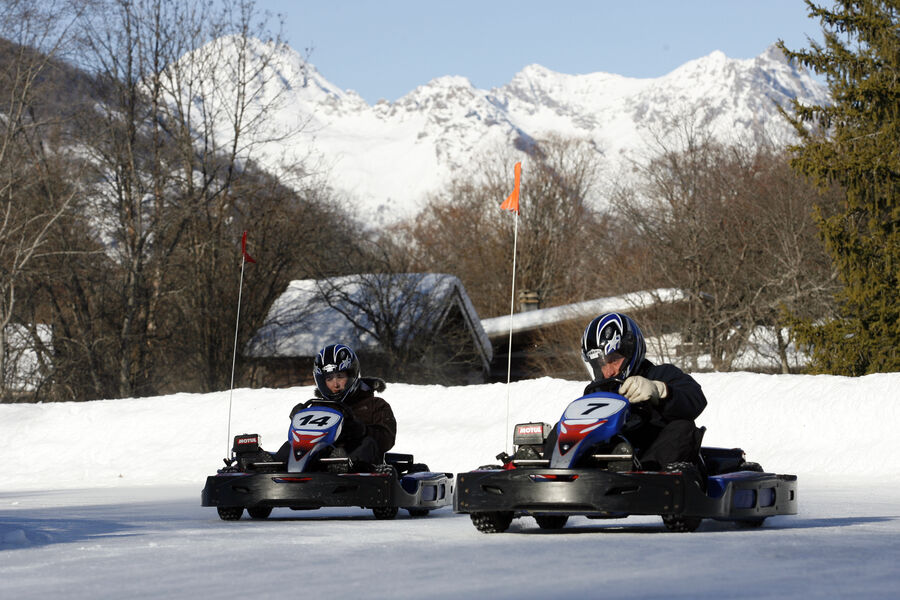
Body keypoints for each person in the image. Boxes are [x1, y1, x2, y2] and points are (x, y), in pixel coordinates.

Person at [578, 312, 707, 470]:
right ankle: (554, 475)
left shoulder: (661, 374)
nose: (608, 371)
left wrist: (660, 391)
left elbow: (696, 399)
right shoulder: (597, 391)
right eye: (601, 364)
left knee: (683, 428)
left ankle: (640, 474)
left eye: (613, 360)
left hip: (655, 463)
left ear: (630, 352)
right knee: (563, 430)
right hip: (607, 462)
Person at [276, 344, 397, 471]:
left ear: (352, 375)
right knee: (293, 444)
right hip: (320, 465)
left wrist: (362, 430)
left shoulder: (375, 405)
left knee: (367, 443)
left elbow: (387, 439)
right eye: (329, 378)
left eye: (340, 376)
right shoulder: (318, 406)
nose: (335, 384)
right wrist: (300, 418)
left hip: (362, 470)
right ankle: (271, 468)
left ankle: (342, 466)